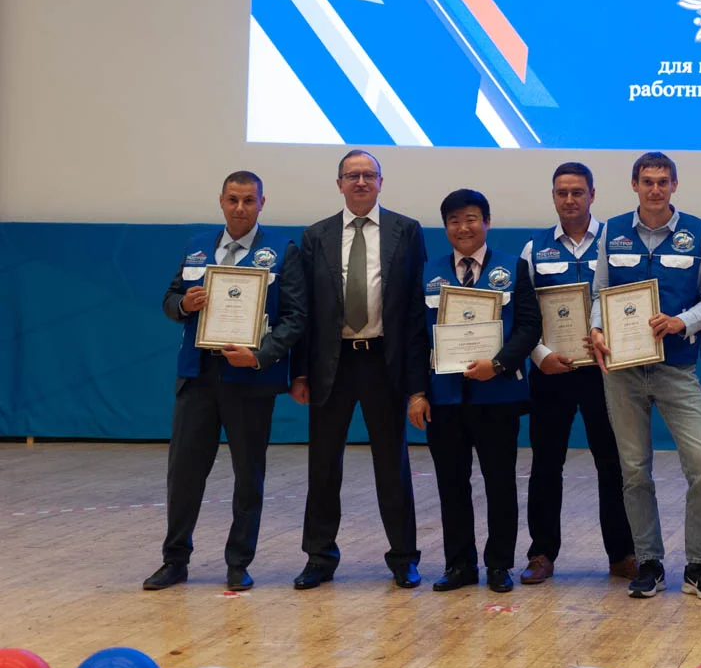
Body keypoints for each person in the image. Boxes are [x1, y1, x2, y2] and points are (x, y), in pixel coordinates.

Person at [144, 171, 303, 592]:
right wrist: (183, 303)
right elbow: (169, 299)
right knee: (184, 473)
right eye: (233, 199)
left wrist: (260, 355)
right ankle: (175, 560)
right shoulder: (197, 246)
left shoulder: (282, 251)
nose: (240, 208)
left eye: (249, 200)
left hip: (249, 378)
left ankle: (238, 562)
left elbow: (296, 318)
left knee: (248, 474)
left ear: (262, 203)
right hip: (198, 375)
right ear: (221, 201)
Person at [280, 149, 430, 590]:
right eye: (352, 175)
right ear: (339, 184)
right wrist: (300, 372)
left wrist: (417, 385)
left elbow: (415, 313)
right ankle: (319, 557)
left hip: (384, 361)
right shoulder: (316, 235)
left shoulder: (407, 231)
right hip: (333, 363)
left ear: (381, 182)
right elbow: (304, 311)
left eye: (369, 175)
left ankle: (403, 557)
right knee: (323, 465)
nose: (361, 182)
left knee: (393, 465)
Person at [586, 151, 701, 601]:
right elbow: (599, 294)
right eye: (647, 181)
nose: (655, 189)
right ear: (634, 185)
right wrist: (596, 328)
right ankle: (649, 563)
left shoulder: (698, 232)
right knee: (633, 471)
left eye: (663, 181)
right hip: (623, 372)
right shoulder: (612, 231)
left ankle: (698, 566)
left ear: (674, 186)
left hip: (676, 369)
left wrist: (681, 321)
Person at [410, 189, 541, 593]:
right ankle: (459, 565)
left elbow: (529, 328)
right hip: (443, 398)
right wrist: (416, 393)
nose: (463, 228)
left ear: (487, 222)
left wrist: (498, 364)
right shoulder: (427, 273)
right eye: (454, 221)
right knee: (451, 485)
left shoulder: (514, 267)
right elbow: (414, 339)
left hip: (497, 397)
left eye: (471, 219)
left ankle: (499, 564)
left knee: (500, 483)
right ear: (445, 227)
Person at [518, 162, 636, 585]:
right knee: (546, 464)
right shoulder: (533, 250)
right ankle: (541, 553)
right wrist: (541, 356)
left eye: (577, 192)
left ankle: (622, 554)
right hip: (551, 371)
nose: (569, 199)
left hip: (605, 372)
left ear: (592, 195)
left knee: (613, 463)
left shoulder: (617, 244)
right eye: (562, 192)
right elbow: (525, 316)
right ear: (553, 196)